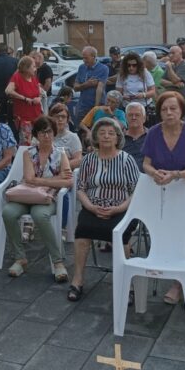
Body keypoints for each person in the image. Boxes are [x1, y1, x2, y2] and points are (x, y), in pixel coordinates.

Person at [67, 117, 140, 302]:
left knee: (121, 234)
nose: (106, 136)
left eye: (111, 133)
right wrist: (90, 207)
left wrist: (118, 208)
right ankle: (78, 279)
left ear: (118, 138)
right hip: (92, 206)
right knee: (82, 230)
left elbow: (136, 191)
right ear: (96, 137)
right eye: (102, 133)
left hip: (121, 208)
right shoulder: (89, 159)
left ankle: (126, 283)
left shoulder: (127, 160)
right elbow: (81, 188)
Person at [142, 90, 185, 304]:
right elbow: (146, 163)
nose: (169, 113)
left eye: (173, 108)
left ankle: (180, 284)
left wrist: (176, 175)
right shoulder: (153, 133)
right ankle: (168, 272)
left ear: (181, 111)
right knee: (163, 238)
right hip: (159, 193)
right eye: (164, 109)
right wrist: (154, 173)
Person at [2, 116, 72, 282]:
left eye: (49, 132)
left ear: (54, 133)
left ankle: (57, 261)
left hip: (48, 197)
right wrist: (55, 179)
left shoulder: (61, 154)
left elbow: (68, 182)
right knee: (8, 213)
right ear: (36, 134)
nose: (46, 136)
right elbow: (28, 178)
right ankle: (20, 258)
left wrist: (39, 180)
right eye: (42, 132)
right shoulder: (28, 153)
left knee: (40, 215)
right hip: (26, 196)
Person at [5, 55, 44, 141]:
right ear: (26, 68)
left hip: (37, 115)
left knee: (39, 140)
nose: (35, 69)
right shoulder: (17, 77)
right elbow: (8, 91)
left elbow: (40, 91)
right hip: (24, 118)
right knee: (26, 142)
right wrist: (24, 98)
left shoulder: (33, 77)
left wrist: (39, 98)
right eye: (33, 66)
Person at [72, 46, 109, 124]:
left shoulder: (103, 69)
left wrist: (95, 108)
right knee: (80, 128)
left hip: (97, 106)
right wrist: (86, 84)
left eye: (86, 58)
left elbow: (100, 88)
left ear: (94, 57)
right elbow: (75, 88)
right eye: (83, 58)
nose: (84, 60)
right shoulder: (81, 68)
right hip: (82, 107)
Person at [49, 102, 82, 167]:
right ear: (51, 118)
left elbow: (78, 160)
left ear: (67, 120)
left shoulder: (73, 137)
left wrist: (57, 167)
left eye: (63, 117)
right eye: (57, 116)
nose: (60, 119)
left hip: (66, 171)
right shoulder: (43, 135)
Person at [122, 103, 149, 170]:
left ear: (144, 118)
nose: (133, 118)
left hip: (148, 174)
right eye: (130, 115)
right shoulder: (119, 138)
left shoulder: (152, 137)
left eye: (137, 115)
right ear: (126, 118)